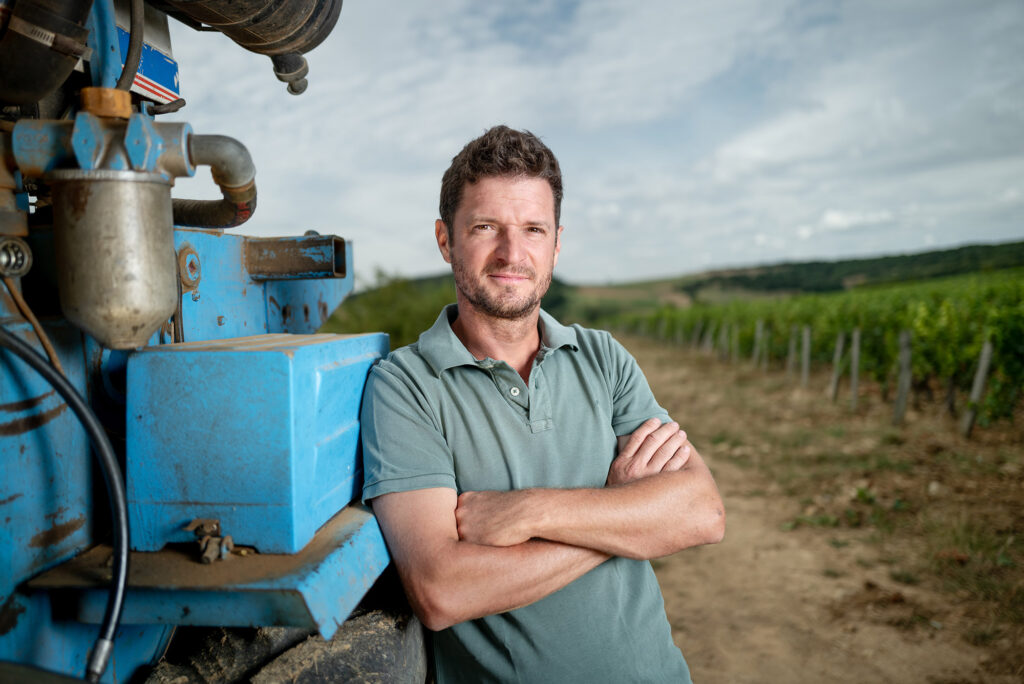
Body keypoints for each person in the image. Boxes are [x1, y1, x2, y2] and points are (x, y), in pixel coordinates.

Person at [360, 125, 724, 683]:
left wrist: (532, 512)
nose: (513, 253)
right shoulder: (405, 385)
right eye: (486, 227)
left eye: (534, 229)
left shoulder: (603, 357)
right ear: (445, 239)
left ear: (556, 243)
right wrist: (625, 515)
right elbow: (441, 590)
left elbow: (701, 512)